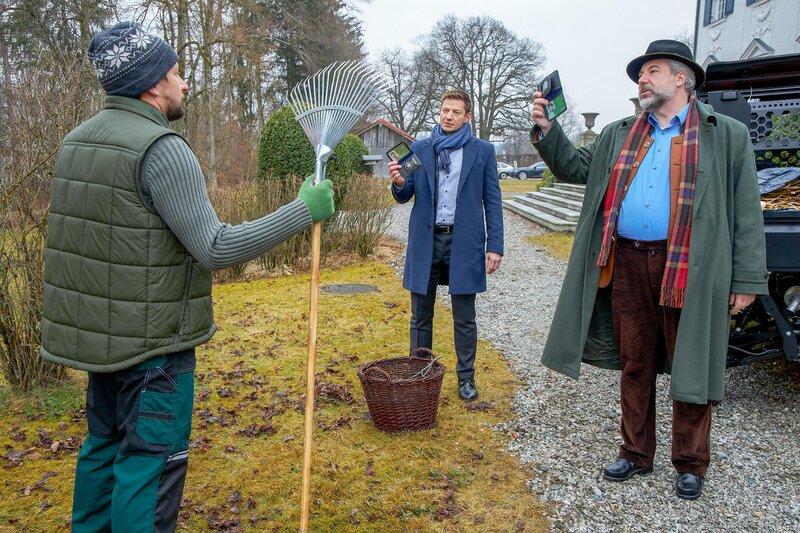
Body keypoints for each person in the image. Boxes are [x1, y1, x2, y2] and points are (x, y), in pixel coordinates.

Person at [39, 21, 334, 531]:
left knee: (102, 451)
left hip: (103, 347)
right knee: (147, 468)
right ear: (152, 85)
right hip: (155, 353)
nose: (184, 84)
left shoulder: (75, 143)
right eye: (176, 74)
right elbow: (214, 247)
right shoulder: (162, 148)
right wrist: (301, 210)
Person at [530, 40, 767, 500]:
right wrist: (547, 129)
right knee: (634, 364)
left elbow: (745, 212)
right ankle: (636, 452)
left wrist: (747, 279)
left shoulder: (726, 134)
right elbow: (576, 168)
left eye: (652, 70)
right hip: (627, 262)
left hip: (692, 269)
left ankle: (691, 462)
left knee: (691, 365)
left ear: (682, 78)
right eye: (640, 72)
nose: (642, 78)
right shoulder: (620, 133)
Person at [389, 89, 504, 402]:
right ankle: (419, 374)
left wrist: (495, 245)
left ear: (467, 117)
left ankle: (466, 379)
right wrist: (399, 182)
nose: (448, 116)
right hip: (426, 241)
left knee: (464, 316)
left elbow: (492, 201)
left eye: (455, 112)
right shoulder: (420, 149)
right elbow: (405, 191)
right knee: (420, 315)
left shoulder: (483, 152)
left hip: (463, 243)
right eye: (444, 111)